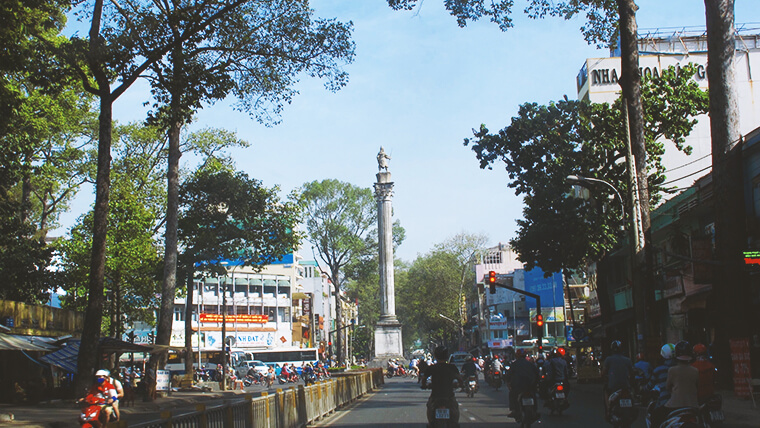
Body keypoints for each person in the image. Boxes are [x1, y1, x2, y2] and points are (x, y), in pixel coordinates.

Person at [421, 346, 463, 428]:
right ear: (447, 356)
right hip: (449, 396)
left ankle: (430, 423)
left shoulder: (432, 368)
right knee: (455, 409)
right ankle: (455, 423)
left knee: (429, 407)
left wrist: (424, 386)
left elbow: (424, 379)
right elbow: (459, 379)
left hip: (435, 396)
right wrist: (460, 385)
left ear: (436, 356)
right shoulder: (452, 367)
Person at [663, 341, 699, 415]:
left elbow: (667, 387)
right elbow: (697, 386)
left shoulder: (672, 370)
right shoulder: (695, 370)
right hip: (692, 405)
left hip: (675, 405)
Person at [601, 340, 634, 419]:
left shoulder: (608, 359)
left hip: (614, 386)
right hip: (626, 386)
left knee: (606, 392)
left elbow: (603, 373)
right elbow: (632, 373)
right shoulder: (627, 360)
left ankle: (609, 410)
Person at [648, 343, 677, 426]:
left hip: (665, 404)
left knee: (654, 418)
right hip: (682, 403)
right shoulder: (681, 368)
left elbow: (649, 386)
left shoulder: (659, 370)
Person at [506, 348, 540, 417]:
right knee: (533, 395)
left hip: (518, 387)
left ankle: (514, 410)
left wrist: (508, 382)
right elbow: (537, 374)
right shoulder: (530, 364)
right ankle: (535, 411)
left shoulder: (514, 364)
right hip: (530, 386)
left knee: (512, 394)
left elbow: (508, 375)